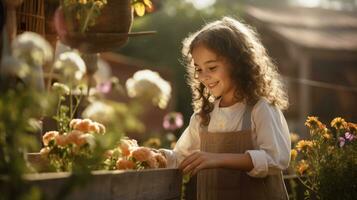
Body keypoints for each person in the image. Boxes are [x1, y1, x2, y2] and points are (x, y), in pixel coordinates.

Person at [161, 17, 291, 200]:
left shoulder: (260, 109)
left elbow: (276, 159)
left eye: (212, 67)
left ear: (238, 63)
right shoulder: (203, 117)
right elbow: (181, 157)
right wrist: (157, 156)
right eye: (198, 69)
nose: (204, 77)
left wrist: (216, 158)